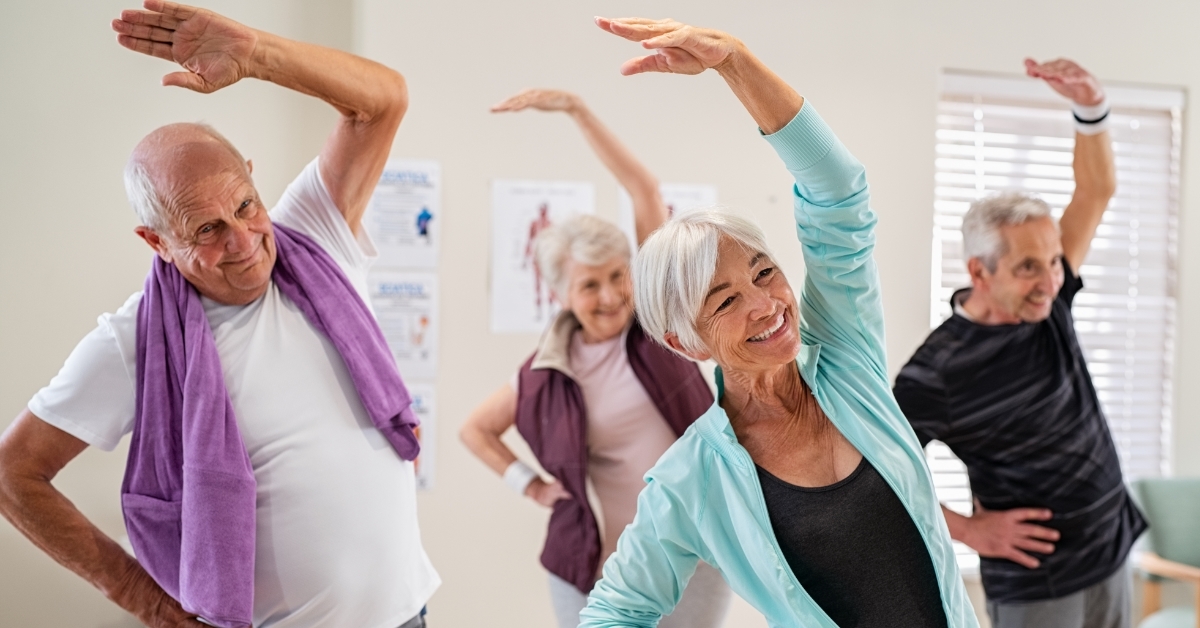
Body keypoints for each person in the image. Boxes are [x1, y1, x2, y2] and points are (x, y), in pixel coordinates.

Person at [0, 2, 438, 627]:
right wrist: (144, 600)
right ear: (157, 242)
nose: (242, 239)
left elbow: (383, 100)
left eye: (245, 205)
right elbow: (14, 473)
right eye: (206, 227)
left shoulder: (315, 235)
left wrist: (258, 55)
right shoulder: (135, 342)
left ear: (255, 182)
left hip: (408, 614)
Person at [580, 17, 978, 628]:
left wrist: (732, 60)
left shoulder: (845, 358)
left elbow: (839, 190)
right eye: (724, 301)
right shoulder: (692, 477)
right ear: (683, 341)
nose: (765, 305)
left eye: (764, 272)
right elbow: (615, 611)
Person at [460, 88, 732, 628]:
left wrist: (577, 112)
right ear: (560, 291)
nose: (609, 296)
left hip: (693, 551)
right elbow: (475, 430)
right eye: (590, 284)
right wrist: (529, 484)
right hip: (594, 568)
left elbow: (642, 188)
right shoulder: (547, 372)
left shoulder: (657, 324)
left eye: (617, 276)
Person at [893, 59, 1145, 628]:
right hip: (1040, 583)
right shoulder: (937, 372)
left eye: (1054, 260)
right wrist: (967, 529)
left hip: (1111, 549)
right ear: (979, 273)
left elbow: (1097, 189)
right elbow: (873, 475)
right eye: (1030, 267)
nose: (1052, 279)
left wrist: (1091, 106)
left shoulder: (1048, 302)